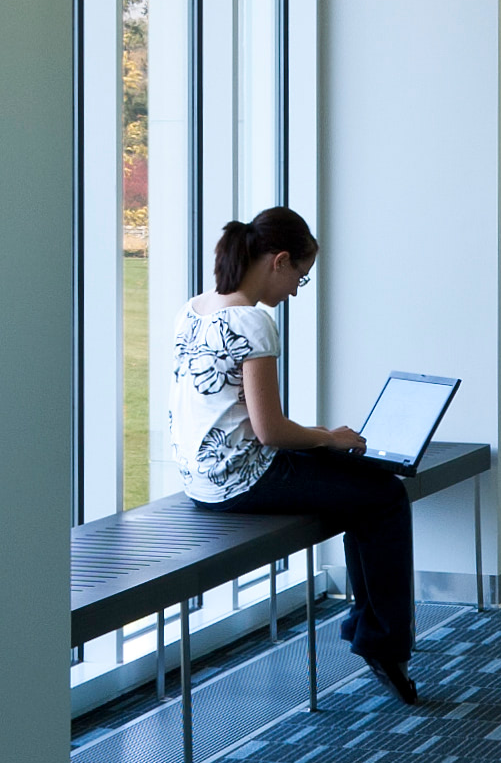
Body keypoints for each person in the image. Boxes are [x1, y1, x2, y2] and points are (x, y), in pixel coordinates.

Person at [161, 205, 426, 707]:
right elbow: (271, 431)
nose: (295, 292)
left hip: (201, 478)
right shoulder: (253, 322)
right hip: (245, 478)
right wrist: (328, 437)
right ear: (279, 261)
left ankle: (374, 633)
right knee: (386, 494)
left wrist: (327, 441)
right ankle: (384, 644)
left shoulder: (192, 309)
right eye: (300, 278)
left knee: (360, 484)